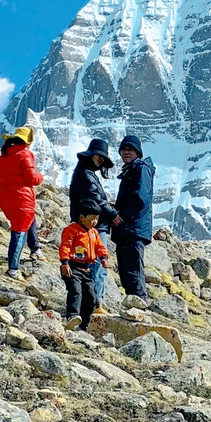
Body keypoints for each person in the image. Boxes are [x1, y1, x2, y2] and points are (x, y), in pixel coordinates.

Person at [69, 138, 118, 313]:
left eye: (103, 157)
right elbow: (96, 199)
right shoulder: (86, 175)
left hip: (88, 224)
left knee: (90, 264)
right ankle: (97, 303)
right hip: (96, 225)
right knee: (98, 264)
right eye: (99, 156)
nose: (101, 160)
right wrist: (113, 214)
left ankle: (89, 303)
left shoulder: (85, 171)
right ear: (91, 154)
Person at [0, 126, 44, 280]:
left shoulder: (3, 157)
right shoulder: (25, 154)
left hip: (6, 199)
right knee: (19, 232)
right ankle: (13, 269)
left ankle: (35, 249)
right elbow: (31, 179)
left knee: (29, 219)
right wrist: (40, 176)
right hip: (22, 198)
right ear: (27, 142)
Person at [111, 134, 155, 301]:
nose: (126, 152)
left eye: (130, 149)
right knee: (126, 272)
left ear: (138, 152)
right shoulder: (132, 169)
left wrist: (120, 216)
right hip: (128, 230)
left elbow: (140, 198)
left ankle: (140, 307)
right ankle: (133, 307)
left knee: (133, 271)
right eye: (124, 149)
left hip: (133, 229)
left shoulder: (141, 169)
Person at [59, 201, 109, 331]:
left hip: (87, 269)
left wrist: (103, 257)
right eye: (92, 219)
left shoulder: (94, 233)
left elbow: (99, 246)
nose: (94, 222)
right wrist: (65, 263)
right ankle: (72, 316)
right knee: (76, 291)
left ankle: (84, 323)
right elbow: (65, 246)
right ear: (82, 217)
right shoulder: (72, 230)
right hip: (73, 267)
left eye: (96, 219)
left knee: (91, 297)